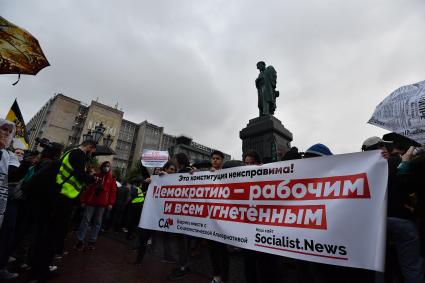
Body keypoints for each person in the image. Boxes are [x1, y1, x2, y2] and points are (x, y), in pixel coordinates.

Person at [30, 140, 97, 281]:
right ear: (90, 147)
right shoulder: (79, 154)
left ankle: (41, 267)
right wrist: (91, 178)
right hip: (63, 198)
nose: (92, 154)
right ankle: (40, 271)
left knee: (49, 235)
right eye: (93, 151)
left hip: (60, 196)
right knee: (51, 235)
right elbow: (79, 174)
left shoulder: (70, 152)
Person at [363, 136, 425, 283]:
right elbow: (410, 186)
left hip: (375, 224)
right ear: (382, 147)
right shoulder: (400, 162)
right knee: (411, 267)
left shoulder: (362, 171)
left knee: (379, 267)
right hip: (402, 219)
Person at [135, 161, 177, 264]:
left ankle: (164, 255)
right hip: (152, 214)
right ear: (165, 169)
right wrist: (149, 181)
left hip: (164, 215)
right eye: (170, 169)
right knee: (144, 236)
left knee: (162, 237)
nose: (172, 171)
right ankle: (139, 259)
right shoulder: (156, 178)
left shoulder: (176, 181)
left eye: (174, 170)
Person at [75, 161, 116, 250]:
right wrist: (83, 200)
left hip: (102, 204)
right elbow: (89, 189)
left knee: (97, 223)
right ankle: (80, 240)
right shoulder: (96, 175)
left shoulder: (112, 178)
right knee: (86, 220)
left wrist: (111, 203)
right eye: (105, 166)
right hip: (91, 202)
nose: (106, 167)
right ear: (102, 166)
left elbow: (113, 192)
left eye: (108, 166)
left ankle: (92, 241)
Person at [167, 152, 193, 280]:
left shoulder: (188, 171)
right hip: (181, 211)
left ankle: (183, 266)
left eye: (175, 159)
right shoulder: (181, 171)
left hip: (184, 212)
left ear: (179, 160)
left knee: (183, 241)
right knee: (182, 241)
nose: (174, 161)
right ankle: (183, 264)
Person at [206, 150, 229, 283]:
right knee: (212, 251)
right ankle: (216, 276)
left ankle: (224, 277)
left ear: (222, 161)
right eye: (213, 158)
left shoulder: (227, 175)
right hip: (209, 221)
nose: (215, 160)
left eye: (218, 159)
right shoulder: (204, 175)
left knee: (222, 252)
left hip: (222, 220)